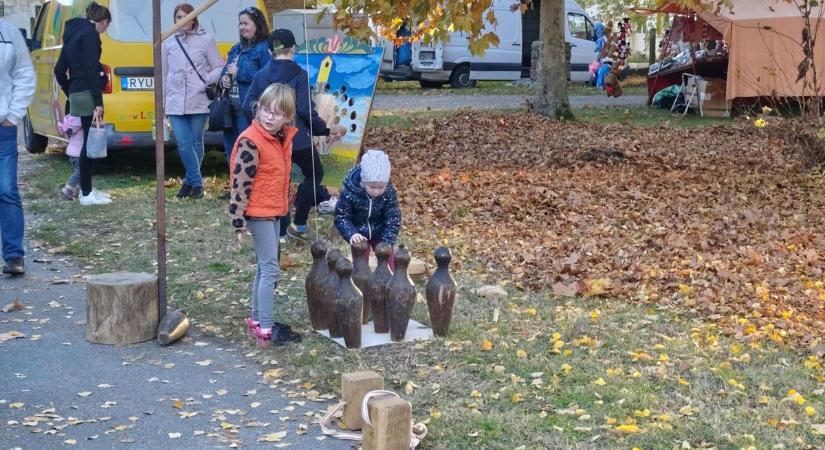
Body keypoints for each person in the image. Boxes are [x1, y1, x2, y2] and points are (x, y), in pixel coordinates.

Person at [243, 29, 347, 242]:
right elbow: (304, 109)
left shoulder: (262, 74)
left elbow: (248, 105)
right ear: (293, 49)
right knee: (315, 174)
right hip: (297, 138)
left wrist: (264, 126)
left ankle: (281, 231)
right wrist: (325, 130)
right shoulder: (300, 74)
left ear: (271, 51)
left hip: (272, 140)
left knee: (280, 181)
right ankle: (298, 224)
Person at [229, 83, 302, 349]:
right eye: (266, 110)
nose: (270, 117)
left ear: (287, 117)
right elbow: (239, 184)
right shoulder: (251, 140)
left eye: (277, 113)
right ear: (258, 108)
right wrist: (238, 222)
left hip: (273, 210)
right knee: (271, 268)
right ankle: (266, 330)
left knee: (264, 267)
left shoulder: (281, 139)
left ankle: (258, 319)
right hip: (258, 213)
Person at [161, 3, 224, 199]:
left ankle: (188, 183)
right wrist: (163, 104)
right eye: (178, 17)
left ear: (194, 18)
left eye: (185, 17)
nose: (181, 21)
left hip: (198, 98)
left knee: (196, 142)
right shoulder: (168, 43)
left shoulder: (205, 40)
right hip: (174, 100)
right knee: (183, 143)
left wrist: (206, 80)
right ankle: (196, 183)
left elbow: (218, 66)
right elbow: (163, 74)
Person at [54, 1, 112, 206]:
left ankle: (86, 189)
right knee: (89, 144)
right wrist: (98, 101)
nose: (104, 32)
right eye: (106, 27)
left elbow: (59, 70)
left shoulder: (72, 35)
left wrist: (70, 91)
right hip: (88, 92)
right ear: (103, 21)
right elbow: (90, 69)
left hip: (77, 92)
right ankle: (86, 193)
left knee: (86, 142)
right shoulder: (90, 35)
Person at [0, 18, 35, 276]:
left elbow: (24, 73)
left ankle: (14, 255)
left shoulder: (9, 32)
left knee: (7, 189)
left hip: (3, 127)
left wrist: (13, 115)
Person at [219, 6, 271, 168]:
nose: (242, 27)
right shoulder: (237, 48)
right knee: (231, 150)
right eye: (240, 24)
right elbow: (225, 69)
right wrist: (223, 79)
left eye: (246, 23)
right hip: (230, 110)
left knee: (246, 151)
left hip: (248, 110)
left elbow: (266, 79)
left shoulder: (264, 49)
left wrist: (240, 72)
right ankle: (234, 189)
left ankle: (248, 190)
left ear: (257, 25)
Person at [334, 149, 401, 266]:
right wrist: (352, 233)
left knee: (387, 261)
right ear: (363, 182)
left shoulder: (389, 193)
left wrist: (387, 241)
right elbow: (342, 216)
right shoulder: (350, 192)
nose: (376, 191)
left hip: (381, 233)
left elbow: (393, 218)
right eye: (372, 187)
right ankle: (360, 281)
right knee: (360, 263)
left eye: (381, 187)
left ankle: (390, 279)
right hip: (359, 234)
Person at [57, 109, 83, 201]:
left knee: (78, 172)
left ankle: (80, 191)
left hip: (72, 151)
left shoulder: (70, 120)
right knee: (80, 171)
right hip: (78, 152)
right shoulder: (80, 120)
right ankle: (68, 187)